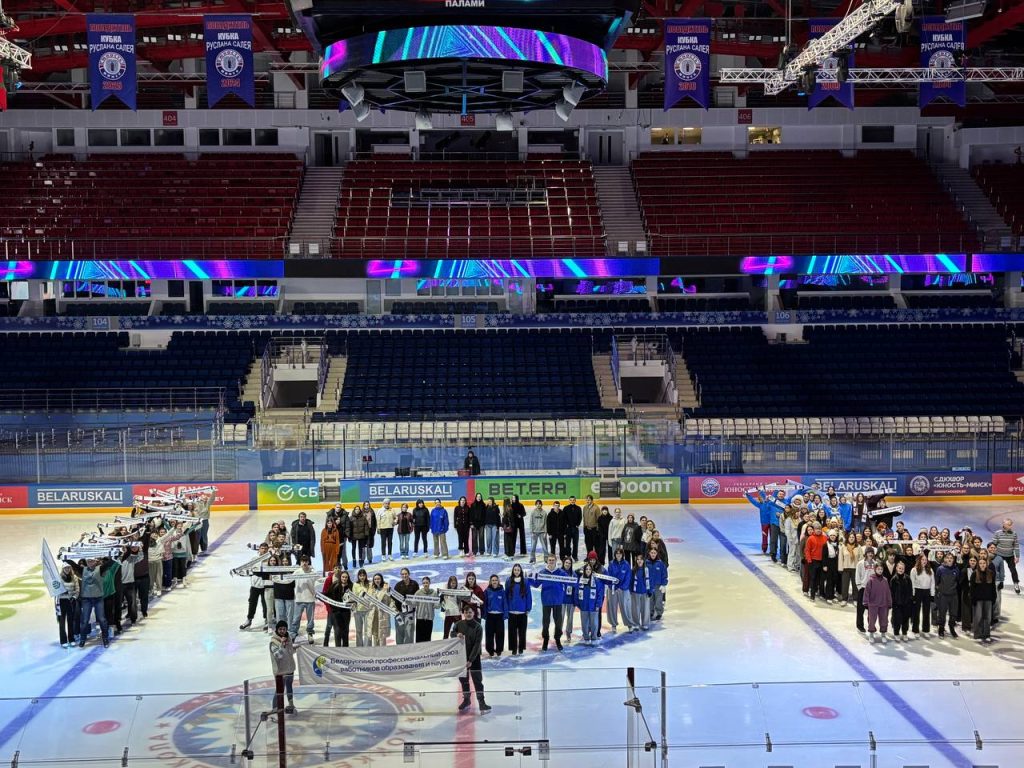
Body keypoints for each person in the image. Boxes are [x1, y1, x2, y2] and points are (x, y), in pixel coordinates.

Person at [454, 604, 490, 713]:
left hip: (474, 658)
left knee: (477, 680)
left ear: (474, 613)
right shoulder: (458, 624)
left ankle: (482, 702)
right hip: (461, 657)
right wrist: (456, 634)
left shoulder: (478, 627)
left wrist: (470, 660)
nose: (468, 614)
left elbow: (477, 645)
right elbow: (451, 633)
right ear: (463, 613)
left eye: (470, 612)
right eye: (466, 612)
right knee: (463, 680)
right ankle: (467, 700)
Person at [530, 554, 566, 651]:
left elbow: (569, 582)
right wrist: (529, 579)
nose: (551, 562)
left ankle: (557, 639)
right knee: (545, 622)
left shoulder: (561, 572)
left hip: (558, 601)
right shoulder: (542, 572)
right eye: (549, 560)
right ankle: (545, 639)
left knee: (558, 622)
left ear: (556, 561)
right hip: (546, 601)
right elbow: (536, 584)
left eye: (552, 560)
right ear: (547, 561)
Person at [240, 542, 270, 631]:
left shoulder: (269, 560)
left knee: (265, 603)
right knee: (252, 602)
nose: (264, 550)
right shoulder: (254, 559)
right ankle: (249, 619)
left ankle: (267, 620)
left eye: (265, 549)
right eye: (262, 548)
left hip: (265, 585)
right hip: (255, 585)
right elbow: (248, 569)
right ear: (259, 549)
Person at [269, 620, 296, 716]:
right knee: (279, 690)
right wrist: (282, 644)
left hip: (290, 668)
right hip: (280, 671)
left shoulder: (289, 638)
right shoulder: (273, 642)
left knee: (289, 687)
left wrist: (296, 648)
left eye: (284, 629)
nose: (282, 631)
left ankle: (291, 704)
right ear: (277, 630)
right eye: (280, 629)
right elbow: (279, 655)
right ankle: (275, 708)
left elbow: (290, 652)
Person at [322, 567, 353, 647]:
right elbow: (327, 595)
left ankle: (345, 648)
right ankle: (338, 649)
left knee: (345, 631)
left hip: (346, 612)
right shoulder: (335, 585)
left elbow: (354, 598)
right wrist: (320, 595)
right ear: (340, 577)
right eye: (343, 577)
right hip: (336, 612)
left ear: (348, 578)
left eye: (346, 577)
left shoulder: (351, 586)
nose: (344, 579)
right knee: (337, 631)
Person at [575, 563, 605, 646]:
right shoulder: (580, 580)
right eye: (586, 569)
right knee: (584, 623)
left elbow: (600, 593)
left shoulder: (596, 580)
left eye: (589, 569)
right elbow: (576, 592)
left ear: (592, 570)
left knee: (594, 623)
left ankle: (594, 638)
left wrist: (598, 605)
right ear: (584, 570)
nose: (588, 571)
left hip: (593, 605)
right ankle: (586, 638)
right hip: (583, 605)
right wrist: (578, 603)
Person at [506, 563, 531, 656]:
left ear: (521, 571)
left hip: (522, 611)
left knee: (522, 632)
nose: (516, 571)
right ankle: (513, 648)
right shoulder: (508, 580)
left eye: (518, 570)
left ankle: (521, 648)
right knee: (512, 632)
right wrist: (506, 609)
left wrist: (528, 608)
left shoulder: (525, 581)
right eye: (515, 570)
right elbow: (506, 595)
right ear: (513, 571)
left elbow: (528, 595)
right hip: (511, 611)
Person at [864, 561, 893, 643]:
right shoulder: (871, 580)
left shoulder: (885, 580)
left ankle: (883, 634)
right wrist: (866, 602)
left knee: (884, 620)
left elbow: (888, 592)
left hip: (883, 604)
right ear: (875, 569)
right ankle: (871, 634)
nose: (880, 571)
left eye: (881, 569)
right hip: (873, 604)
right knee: (872, 620)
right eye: (878, 569)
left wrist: (889, 602)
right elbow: (867, 592)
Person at [972, 555, 997, 644]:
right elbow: (972, 588)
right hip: (978, 600)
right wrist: (973, 599)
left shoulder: (991, 573)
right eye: (980, 563)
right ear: (978, 564)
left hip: (988, 599)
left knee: (987, 618)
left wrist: (994, 597)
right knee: (978, 617)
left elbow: (993, 587)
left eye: (984, 563)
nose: (982, 565)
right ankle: (977, 634)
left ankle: (986, 634)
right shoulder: (975, 573)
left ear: (986, 564)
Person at [935, 553, 960, 639]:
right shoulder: (940, 569)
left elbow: (957, 581)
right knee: (942, 614)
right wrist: (939, 591)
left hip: (953, 595)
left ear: (953, 559)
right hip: (943, 595)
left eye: (951, 558)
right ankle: (941, 629)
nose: (949, 559)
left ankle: (952, 628)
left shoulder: (956, 569)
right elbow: (937, 581)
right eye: (948, 558)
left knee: (953, 614)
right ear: (945, 559)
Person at [606, 547, 631, 631]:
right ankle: (613, 624)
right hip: (613, 589)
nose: (618, 555)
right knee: (612, 607)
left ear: (622, 555)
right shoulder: (611, 564)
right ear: (615, 555)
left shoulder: (626, 564)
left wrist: (622, 587)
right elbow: (609, 576)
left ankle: (629, 624)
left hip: (623, 589)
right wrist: (614, 587)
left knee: (625, 607)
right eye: (617, 554)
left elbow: (628, 577)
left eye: (620, 554)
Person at [992, 518, 1020, 594]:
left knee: (1013, 570)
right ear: (1003, 525)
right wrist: (992, 554)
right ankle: (998, 582)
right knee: (997, 569)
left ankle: (1016, 583)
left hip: (1010, 555)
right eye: (1008, 524)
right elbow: (993, 544)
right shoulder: (997, 533)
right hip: (999, 554)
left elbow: (1016, 545)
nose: (1010, 526)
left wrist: (1017, 556)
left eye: (1010, 525)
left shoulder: (1014, 534)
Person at [393, 567, 420, 645]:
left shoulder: (414, 584)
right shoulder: (398, 585)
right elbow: (393, 598)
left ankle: (409, 648)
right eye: (402, 574)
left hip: (410, 613)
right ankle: (399, 648)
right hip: (399, 612)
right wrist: (394, 608)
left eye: (406, 574)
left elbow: (417, 598)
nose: (404, 575)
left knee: (409, 631)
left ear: (409, 574)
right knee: (399, 630)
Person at [56, 564, 80, 648]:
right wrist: (61, 592)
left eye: (68, 567)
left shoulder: (74, 577)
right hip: (61, 601)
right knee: (62, 622)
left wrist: (74, 597)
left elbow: (77, 589)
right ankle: (63, 640)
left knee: (71, 621)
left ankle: (71, 639)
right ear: (63, 569)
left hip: (71, 601)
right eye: (65, 568)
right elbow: (56, 589)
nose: (67, 569)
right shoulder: (58, 578)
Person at [483, 574, 508, 657]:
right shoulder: (487, 591)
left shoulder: (502, 591)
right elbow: (484, 603)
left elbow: (505, 603)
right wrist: (484, 614)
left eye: (496, 580)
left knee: (500, 634)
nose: (494, 582)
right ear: (490, 581)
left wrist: (505, 614)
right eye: (493, 580)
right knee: (489, 634)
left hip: (499, 616)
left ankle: (499, 650)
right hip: (490, 616)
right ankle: (490, 650)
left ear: (498, 581)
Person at [889, 560, 914, 642]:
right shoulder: (893, 579)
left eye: (902, 568)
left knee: (905, 619)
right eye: (899, 568)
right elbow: (891, 592)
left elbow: (910, 590)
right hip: (897, 604)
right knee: (897, 619)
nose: (901, 570)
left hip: (906, 603)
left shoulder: (908, 578)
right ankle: (896, 633)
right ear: (896, 568)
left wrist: (910, 601)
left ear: (904, 569)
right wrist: (893, 603)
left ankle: (904, 633)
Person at [366, 573, 392, 646]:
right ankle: (376, 651)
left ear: (381, 579)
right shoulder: (371, 589)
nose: (377, 580)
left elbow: (391, 601)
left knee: (382, 636)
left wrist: (392, 611)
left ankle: (382, 652)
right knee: (375, 635)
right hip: (374, 615)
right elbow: (367, 601)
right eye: (375, 579)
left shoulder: (386, 589)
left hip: (382, 615)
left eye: (378, 579)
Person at [854, 547, 876, 634]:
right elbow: (857, 575)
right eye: (869, 553)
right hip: (863, 588)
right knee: (860, 609)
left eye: (872, 553)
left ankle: (871, 625)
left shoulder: (875, 563)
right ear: (866, 554)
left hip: (872, 589)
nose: (870, 554)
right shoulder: (860, 563)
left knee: (872, 609)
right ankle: (860, 626)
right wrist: (859, 587)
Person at [628, 553, 652, 632]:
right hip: (636, 592)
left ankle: (645, 623)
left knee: (645, 609)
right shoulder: (633, 570)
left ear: (643, 560)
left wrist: (650, 591)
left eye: (641, 559)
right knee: (635, 609)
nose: (639, 561)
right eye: (638, 559)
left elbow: (650, 581)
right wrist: (630, 590)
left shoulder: (647, 570)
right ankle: (636, 623)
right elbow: (631, 581)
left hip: (645, 592)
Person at [414, 577, 439, 642]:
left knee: (427, 639)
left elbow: (437, 606)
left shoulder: (434, 593)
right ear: (422, 584)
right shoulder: (418, 593)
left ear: (429, 583)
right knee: (419, 639)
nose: (425, 584)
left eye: (427, 583)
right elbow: (414, 603)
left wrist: (439, 601)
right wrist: (407, 600)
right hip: (420, 618)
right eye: (424, 583)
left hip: (429, 619)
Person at [646, 547, 667, 622]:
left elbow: (664, 575)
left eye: (654, 553)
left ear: (657, 553)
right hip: (649, 586)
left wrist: (663, 585)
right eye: (652, 553)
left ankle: (659, 613)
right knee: (650, 600)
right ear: (649, 553)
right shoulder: (646, 563)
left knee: (658, 600)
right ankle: (650, 612)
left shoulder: (660, 563)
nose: (653, 554)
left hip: (658, 586)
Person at [352, 568, 371, 646]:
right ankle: (359, 646)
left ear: (366, 576)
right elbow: (354, 597)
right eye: (360, 576)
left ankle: (367, 646)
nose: (362, 577)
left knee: (367, 630)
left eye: (363, 575)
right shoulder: (355, 585)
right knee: (359, 630)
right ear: (358, 576)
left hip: (367, 610)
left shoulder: (369, 584)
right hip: (358, 610)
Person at [562, 496, 582, 560]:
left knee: (575, 543)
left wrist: (578, 524)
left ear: (575, 500)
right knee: (568, 543)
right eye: (571, 500)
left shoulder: (578, 508)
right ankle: (568, 555)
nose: (572, 501)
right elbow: (563, 518)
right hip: (568, 529)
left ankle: (575, 556)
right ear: (569, 501)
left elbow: (580, 517)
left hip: (575, 528)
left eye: (573, 500)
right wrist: (566, 526)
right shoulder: (566, 508)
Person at [529, 499, 548, 563]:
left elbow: (546, 523)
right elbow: (531, 522)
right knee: (533, 547)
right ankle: (532, 558)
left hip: (542, 532)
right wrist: (531, 532)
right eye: (537, 504)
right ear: (535, 505)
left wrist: (545, 532)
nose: (538, 505)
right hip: (534, 532)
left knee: (544, 547)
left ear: (541, 505)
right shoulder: (533, 512)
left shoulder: (544, 513)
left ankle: (546, 558)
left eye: (539, 504)